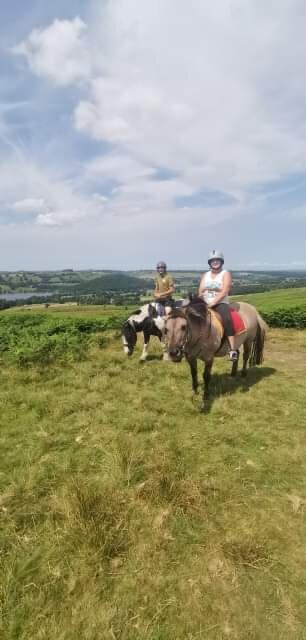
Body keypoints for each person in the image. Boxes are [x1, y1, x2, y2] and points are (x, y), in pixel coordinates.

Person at [198, 250, 238, 361]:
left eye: (217, 260)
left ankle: (232, 349)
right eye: (213, 261)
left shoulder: (225, 274)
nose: (215, 262)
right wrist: (200, 298)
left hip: (220, 303)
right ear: (209, 263)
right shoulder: (205, 275)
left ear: (221, 262)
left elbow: (225, 291)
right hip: (205, 302)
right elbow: (201, 290)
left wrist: (213, 303)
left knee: (227, 319)